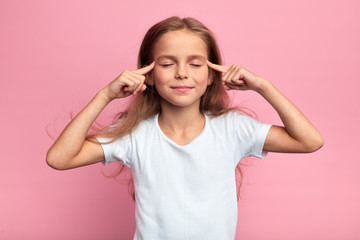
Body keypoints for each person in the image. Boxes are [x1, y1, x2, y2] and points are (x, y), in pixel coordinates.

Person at [46, 16, 323, 240]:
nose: (182, 72)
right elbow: (59, 158)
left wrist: (264, 87)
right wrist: (104, 95)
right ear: (149, 75)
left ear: (212, 74)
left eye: (195, 63)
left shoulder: (232, 129)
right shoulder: (133, 134)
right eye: (167, 63)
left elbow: (309, 141)